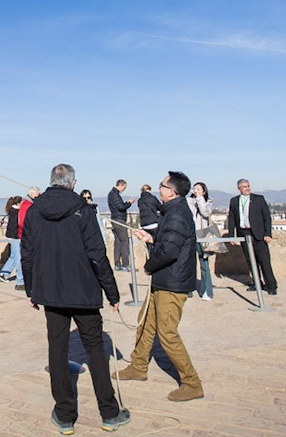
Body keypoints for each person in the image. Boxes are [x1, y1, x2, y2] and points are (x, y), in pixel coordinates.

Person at [22, 164, 130, 434]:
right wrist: (112, 292)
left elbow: (28, 254)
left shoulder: (35, 210)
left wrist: (31, 290)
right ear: (72, 183)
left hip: (52, 293)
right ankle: (109, 412)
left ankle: (65, 415)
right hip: (83, 291)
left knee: (57, 351)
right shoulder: (83, 209)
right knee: (95, 350)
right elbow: (97, 253)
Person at [118, 171, 204, 402]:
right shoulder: (173, 211)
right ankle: (138, 366)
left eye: (162, 185)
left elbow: (170, 252)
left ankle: (191, 382)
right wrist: (150, 238)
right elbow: (168, 241)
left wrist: (149, 266)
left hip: (172, 282)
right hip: (164, 279)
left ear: (171, 191)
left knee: (167, 333)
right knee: (146, 324)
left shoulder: (177, 214)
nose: (159, 189)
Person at [225, 179, 278, 295]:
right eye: (244, 187)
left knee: (264, 261)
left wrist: (268, 234)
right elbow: (232, 219)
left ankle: (271, 285)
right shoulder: (234, 201)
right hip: (243, 233)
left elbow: (267, 217)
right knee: (250, 261)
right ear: (239, 188)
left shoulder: (259, 199)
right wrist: (231, 235)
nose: (247, 188)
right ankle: (257, 283)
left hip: (258, 234)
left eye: (248, 186)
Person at [188, 182, 214, 300]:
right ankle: (188, 289)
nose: (196, 190)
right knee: (188, 263)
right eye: (195, 188)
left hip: (202, 235)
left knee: (204, 264)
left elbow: (205, 213)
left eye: (199, 189)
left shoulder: (208, 203)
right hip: (190, 235)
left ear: (204, 191)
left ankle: (206, 291)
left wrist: (200, 199)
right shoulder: (189, 201)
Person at [0, 196, 24, 288]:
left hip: (11, 237)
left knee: (13, 256)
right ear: (18, 203)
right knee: (18, 258)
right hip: (15, 237)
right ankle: (20, 280)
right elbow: (15, 226)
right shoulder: (16, 213)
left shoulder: (12, 211)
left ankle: (4, 273)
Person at [107, 180, 134, 271]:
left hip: (115, 220)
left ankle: (117, 264)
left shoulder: (112, 194)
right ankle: (125, 264)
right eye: (124, 187)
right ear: (121, 185)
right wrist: (129, 203)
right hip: (119, 220)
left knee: (118, 242)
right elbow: (121, 207)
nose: (124, 189)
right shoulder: (114, 194)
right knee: (124, 241)